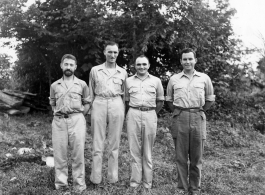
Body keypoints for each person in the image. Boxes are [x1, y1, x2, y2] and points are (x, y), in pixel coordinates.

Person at [166, 48, 215, 195]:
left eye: (190, 59)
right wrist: (180, 111)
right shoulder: (174, 79)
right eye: (184, 59)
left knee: (196, 157)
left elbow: (210, 99)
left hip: (197, 117)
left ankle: (194, 189)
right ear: (181, 61)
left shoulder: (204, 78)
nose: (187, 62)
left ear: (195, 60)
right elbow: (169, 100)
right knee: (180, 156)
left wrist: (198, 110)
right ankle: (182, 188)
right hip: (180, 116)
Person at [49, 54, 90, 193]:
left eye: (71, 65)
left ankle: (79, 185)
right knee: (60, 154)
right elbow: (53, 103)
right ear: (61, 65)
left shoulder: (82, 84)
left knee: (78, 154)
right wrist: (60, 113)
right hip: (59, 121)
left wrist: (78, 116)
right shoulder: (55, 85)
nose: (68, 67)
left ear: (75, 67)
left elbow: (87, 102)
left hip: (77, 120)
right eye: (66, 64)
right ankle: (61, 185)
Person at [88, 41, 128, 184]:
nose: (112, 55)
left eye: (115, 52)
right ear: (104, 52)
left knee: (114, 143)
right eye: (109, 52)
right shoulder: (95, 70)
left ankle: (112, 178)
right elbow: (90, 91)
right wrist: (90, 109)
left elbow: (125, 95)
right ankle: (96, 178)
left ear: (118, 53)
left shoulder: (122, 72)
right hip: (99, 102)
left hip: (116, 103)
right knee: (97, 142)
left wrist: (122, 109)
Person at [125, 55, 164, 189]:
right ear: (135, 66)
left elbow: (160, 101)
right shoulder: (128, 81)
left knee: (147, 151)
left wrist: (151, 113)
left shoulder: (156, 81)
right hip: (133, 113)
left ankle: (147, 183)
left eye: (144, 64)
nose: (141, 67)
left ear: (148, 65)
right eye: (139, 64)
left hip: (150, 114)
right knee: (134, 150)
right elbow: (126, 100)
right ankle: (135, 182)